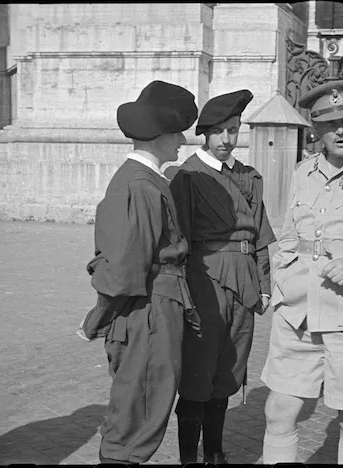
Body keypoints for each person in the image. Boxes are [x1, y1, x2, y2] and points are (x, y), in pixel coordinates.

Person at [260, 80, 343, 464]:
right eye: (330, 122)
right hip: (297, 314)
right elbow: (289, 236)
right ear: (315, 128)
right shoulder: (303, 172)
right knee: (279, 412)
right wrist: (282, 282)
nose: (340, 130)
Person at [77, 80, 201, 465]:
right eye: (177, 132)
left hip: (156, 305)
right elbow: (123, 269)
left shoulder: (147, 181)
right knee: (138, 411)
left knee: (145, 404)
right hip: (146, 309)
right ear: (161, 135)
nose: (181, 140)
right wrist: (97, 319)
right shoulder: (138, 185)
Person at [166, 89, 276, 464]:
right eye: (219, 132)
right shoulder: (187, 178)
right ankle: (188, 460)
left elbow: (260, 236)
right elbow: (177, 242)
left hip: (244, 286)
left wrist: (264, 286)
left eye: (233, 130)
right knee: (199, 374)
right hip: (205, 283)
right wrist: (182, 297)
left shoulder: (247, 176)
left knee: (229, 371)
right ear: (205, 134)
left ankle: (215, 453)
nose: (227, 139)